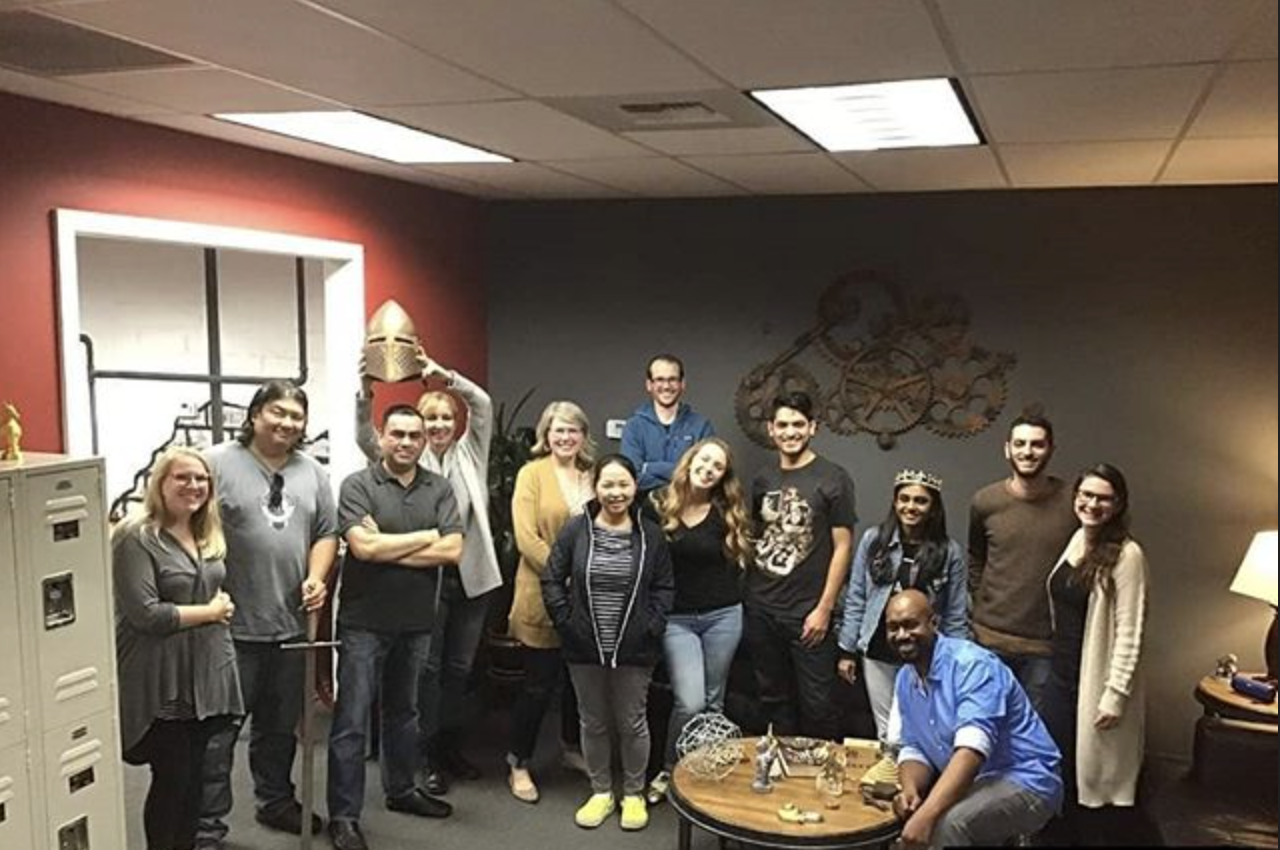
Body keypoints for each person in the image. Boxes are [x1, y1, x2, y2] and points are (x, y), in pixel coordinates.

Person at [197, 381, 338, 849]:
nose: (286, 423)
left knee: (280, 727)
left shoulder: (312, 472)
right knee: (219, 734)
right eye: (277, 412)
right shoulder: (216, 463)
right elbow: (186, 526)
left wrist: (317, 576)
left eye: (296, 417)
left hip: (293, 626)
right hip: (230, 627)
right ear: (255, 413)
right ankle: (206, 828)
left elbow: (326, 533)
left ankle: (275, 800)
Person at [357, 352, 502, 794]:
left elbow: (483, 406)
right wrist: (365, 396)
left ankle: (448, 749)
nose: (438, 425)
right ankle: (423, 753)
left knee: (460, 670)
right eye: (430, 418)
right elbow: (366, 434)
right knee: (429, 671)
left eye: (444, 418)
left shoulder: (470, 454)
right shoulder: (407, 463)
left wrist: (447, 377)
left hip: (471, 578)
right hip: (426, 580)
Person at [326, 404, 464, 850]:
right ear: (382, 437)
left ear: (424, 442)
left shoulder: (439, 487)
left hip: (416, 621)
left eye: (414, 436)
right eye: (398, 434)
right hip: (363, 622)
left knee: (404, 714)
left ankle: (402, 791)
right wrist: (425, 536)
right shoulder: (357, 485)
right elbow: (362, 549)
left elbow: (452, 552)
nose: (406, 443)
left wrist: (387, 544)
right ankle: (344, 816)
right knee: (351, 721)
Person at [113, 447, 243, 850]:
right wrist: (210, 611)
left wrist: (214, 607)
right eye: (182, 477)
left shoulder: (207, 531)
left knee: (194, 780)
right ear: (160, 483)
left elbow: (210, 587)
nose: (194, 486)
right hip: (159, 677)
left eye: (201, 478)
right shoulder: (136, 537)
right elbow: (146, 614)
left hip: (204, 675)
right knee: (172, 776)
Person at [542, 454, 675, 831]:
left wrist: (653, 625)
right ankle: (601, 791)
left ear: (635, 487)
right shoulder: (575, 530)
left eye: (623, 484)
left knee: (632, 722)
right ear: (595, 487)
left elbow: (665, 586)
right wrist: (566, 622)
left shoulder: (650, 534)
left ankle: (633, 794)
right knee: (594, 721)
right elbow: (552, 578)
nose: (615, 492)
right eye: (608, 484)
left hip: (635, 646)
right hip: (584, 644)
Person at [888, 590, 1061, 848]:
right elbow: (914, 748)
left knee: (947, 825)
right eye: (893, 628)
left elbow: (972, 751)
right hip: (977, 782)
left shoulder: (972, 665)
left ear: (934, 623)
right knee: (916, 816)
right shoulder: (905, 679)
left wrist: (926, 815)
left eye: (911, 624)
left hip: (1027, 779)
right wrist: (909, 790)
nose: (902, 635)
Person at [1042, 464, 1151, 846]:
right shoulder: (1077, 540)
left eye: (1103, 498)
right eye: (1085, 495)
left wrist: (1115, 693)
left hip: (1096, 683)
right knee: (1059, 772)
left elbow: (1129, 631)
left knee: (1096, 784)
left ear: (1118, 504)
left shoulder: (1127, 555)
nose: (1091, 504)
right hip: (1061, 677)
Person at [744, 391, 856, 740]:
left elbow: (843, 547)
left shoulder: (834, 478)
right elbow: (758, 537)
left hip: (807, 612)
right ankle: (782, 778)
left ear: (812, 428)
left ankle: (819, 784)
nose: (790, 432)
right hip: (761, 608)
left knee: (818, 705)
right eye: (783, 425)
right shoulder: (763, 479)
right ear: (771, 429)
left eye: (798, 424)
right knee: (773, 700)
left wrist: (824, 609)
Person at [646, 437, 752, 803]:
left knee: (714, 701)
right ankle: (668, 770)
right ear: (690, 461)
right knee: (689, 702)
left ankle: (705, 773)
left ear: (723, 476)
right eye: (704, 461)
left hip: (723, 615)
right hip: (678, 619)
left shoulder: (727, 511)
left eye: (717, 467)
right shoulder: (658, 505)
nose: (708, 470)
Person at [504, 400, 595, 803]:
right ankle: (518, 762)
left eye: (573, 430)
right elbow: (526, 539)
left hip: (587, 599)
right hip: (542, 593)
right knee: (538, 686)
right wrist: (566, 574)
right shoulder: (531, 474)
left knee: (578, 683)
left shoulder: (592, 474)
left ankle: (570, 748)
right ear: (547, 434)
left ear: (583, 435)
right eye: (559, 430)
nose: (565, 437)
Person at [837, 469, 969, 743]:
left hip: (925, 652)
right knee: (887, 730)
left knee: (924, 725)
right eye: (904, 499)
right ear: (895, 502)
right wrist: (847, 650)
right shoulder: (874, 540)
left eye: (920, 501)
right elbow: (857, 597)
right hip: (878, 648)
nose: (911, 507)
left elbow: (956, 612)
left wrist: (958, 662)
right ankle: (890, 780)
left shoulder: (949, 551)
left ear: (933, 508)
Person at [968, 412, 1076, 713]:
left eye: (1037, 444)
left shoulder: (1073, 502)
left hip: (1044, 647)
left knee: (1033, 737)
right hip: (989, 641)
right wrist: (983, 603)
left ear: (1051, 449)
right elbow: (976, 557)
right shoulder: (985, 501)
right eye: (1020, 443)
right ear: (1007, 449)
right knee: (982, 729)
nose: (1027, 452)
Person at [620, 354, 714, 494]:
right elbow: (631, 477)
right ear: (649, 385)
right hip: (644, 511)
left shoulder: (701, 426)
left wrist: (650, 467)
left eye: (672, 379)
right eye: (659, 379)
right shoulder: (633, 427)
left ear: (682, 384)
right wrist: (682, 473)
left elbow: (704, 474)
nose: (666, 386)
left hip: (689, 510)